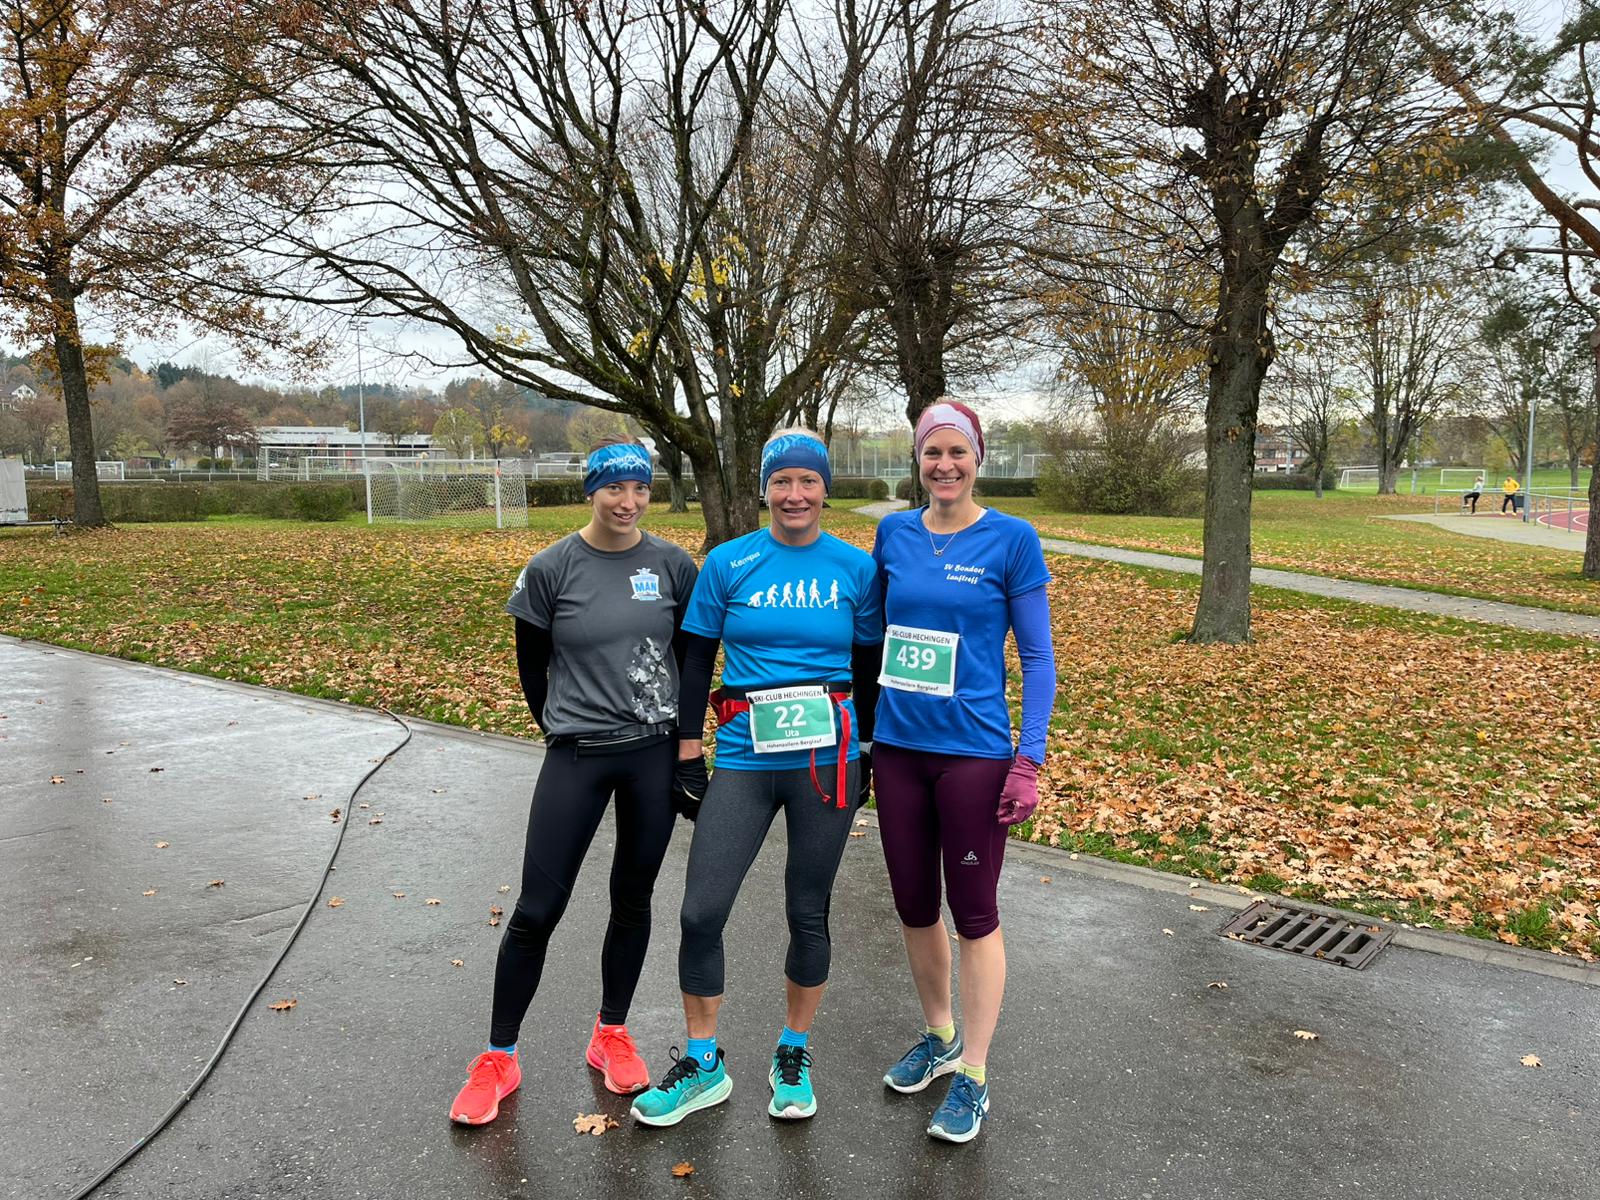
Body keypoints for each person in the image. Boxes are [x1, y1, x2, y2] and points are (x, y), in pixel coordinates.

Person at [630, 428, 883, 1127]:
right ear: (764, 489)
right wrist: (687, 749)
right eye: (782, 481)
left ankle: (792, 1051)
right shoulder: (730, 563)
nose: (794, 494)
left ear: (825, 489)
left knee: (808, 911)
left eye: (807, 481)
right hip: (744, 755)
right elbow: (695, 659)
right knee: (700, 911)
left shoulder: (855, 571)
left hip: (826, 763)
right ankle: (705, 1063)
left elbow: (869, 668)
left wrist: (869, 749)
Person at [448, 439, 699, 1126]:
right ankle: (499, 1056)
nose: (628, 502)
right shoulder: (552, 568)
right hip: (577, 756)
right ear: (591, 490)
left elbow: (686, 660)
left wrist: (682, 749)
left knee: (633, 898)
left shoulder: (674, 566)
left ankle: (610, 1033)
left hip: (649, 755)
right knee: (536, 909)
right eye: (614, 489)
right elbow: (534, 665)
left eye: (640, 489)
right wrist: (565, 725)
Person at [869, 399, 1057, 1144]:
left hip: (975, 755)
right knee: (915, 906)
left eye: (957, 452)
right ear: (917, 461)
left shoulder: (1012, 539)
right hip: (900, 749)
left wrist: (1028, 761)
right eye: (931, 454)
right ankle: (941, 1036)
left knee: (973, 913)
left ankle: (974, 1072)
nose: (944, 466)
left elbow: (1038, 660)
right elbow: (872, 637)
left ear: (978, 457)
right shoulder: (893, 533)